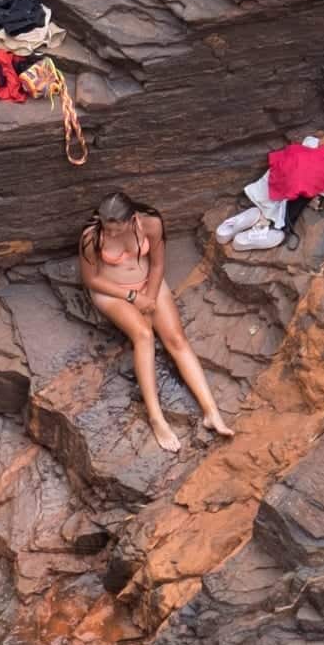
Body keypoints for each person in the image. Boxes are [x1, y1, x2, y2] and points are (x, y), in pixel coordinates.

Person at [75, 192, 234, 454]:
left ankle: (211, 412)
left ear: (132, 219)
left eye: (117, 228)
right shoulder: (92, 236)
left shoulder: (151, 223)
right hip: (112, 291)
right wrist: (133, 297)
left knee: (176, 339)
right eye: (108, 228)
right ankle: (156, 418)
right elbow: (92, 280)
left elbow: (158, 264)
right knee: (144, 335)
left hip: (148, 283)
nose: (112, 234)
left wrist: (149, 296)